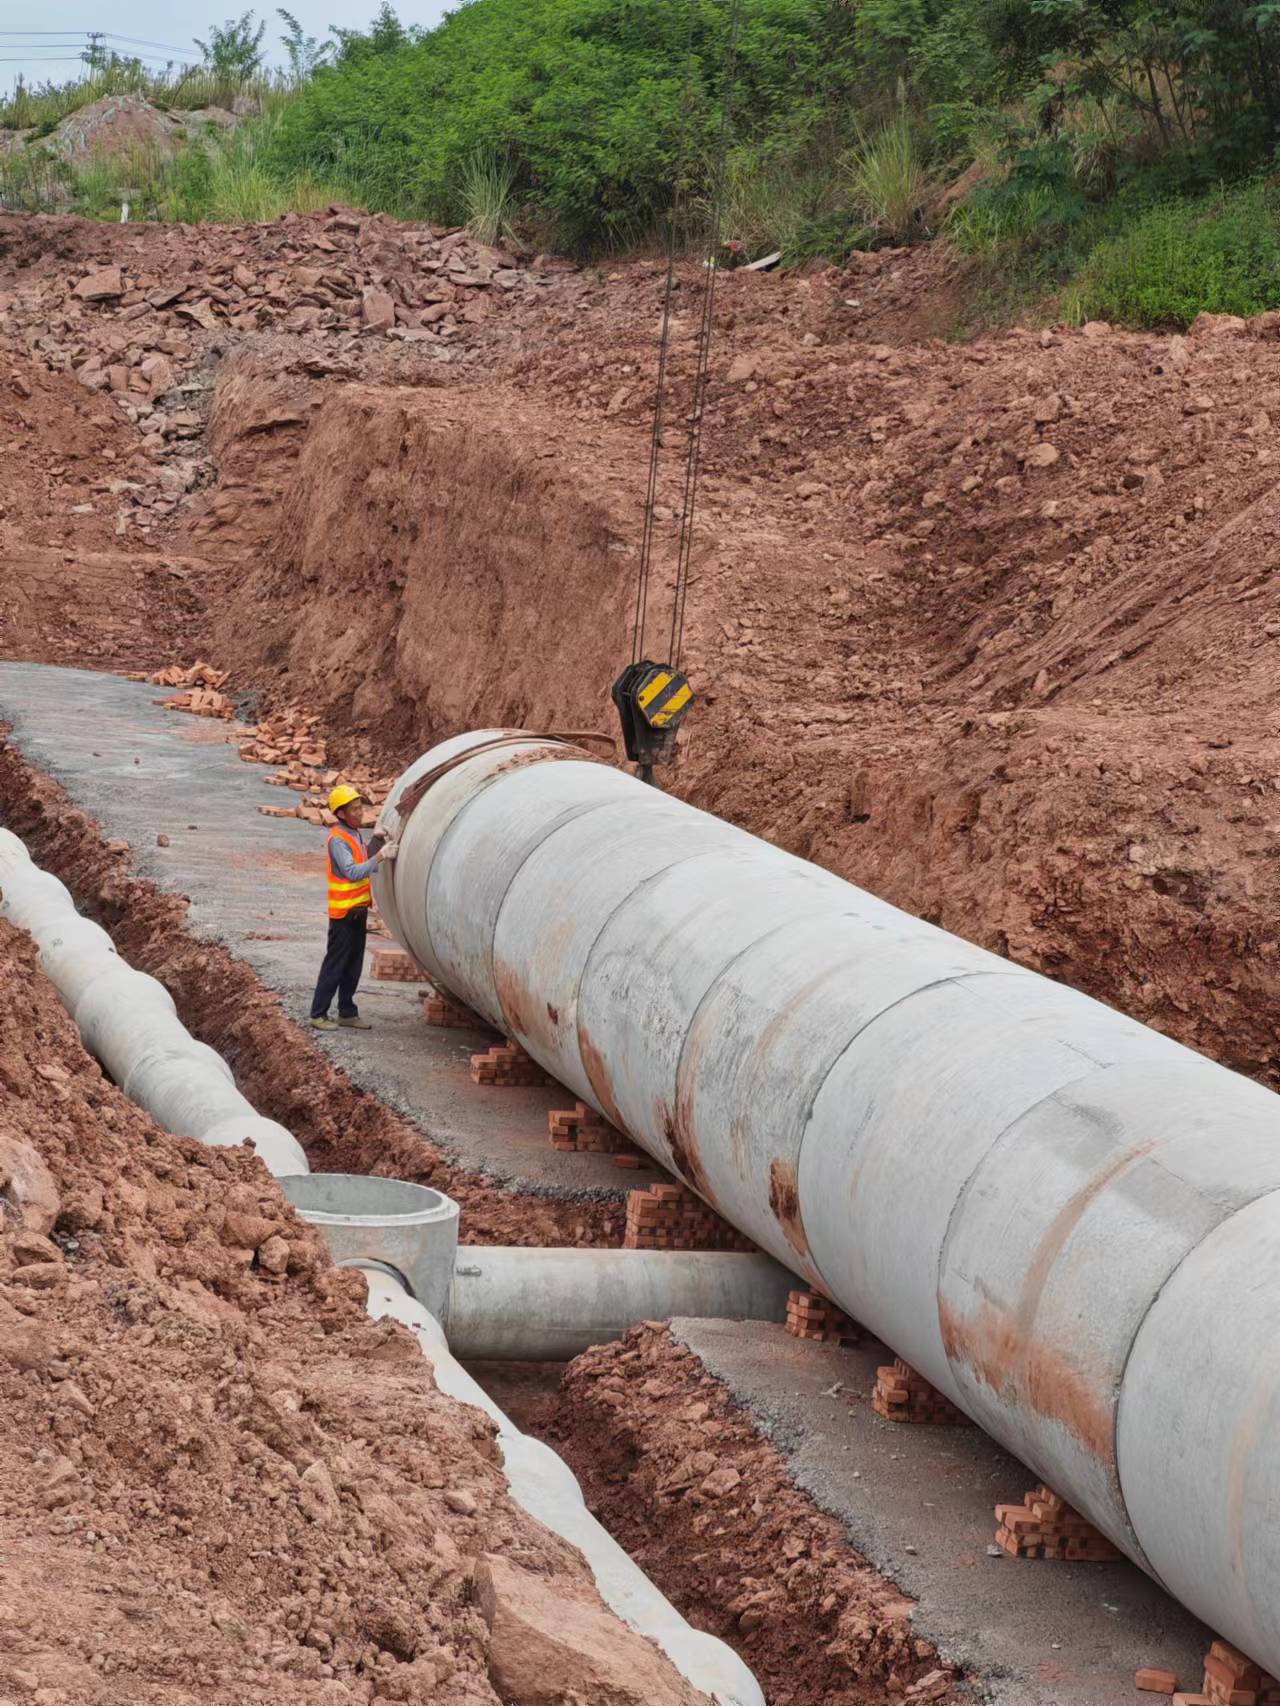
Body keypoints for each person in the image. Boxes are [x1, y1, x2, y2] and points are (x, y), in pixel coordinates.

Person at [309, 784, 397, 1031]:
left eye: (360, 808)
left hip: (357, 912)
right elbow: (352, 872)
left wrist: (377, 841)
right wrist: (381, 856)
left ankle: (347, 1011)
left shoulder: (354, 834)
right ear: (341, 814)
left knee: (353, 966)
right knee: (335, 965)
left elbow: (363, 858)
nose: (360, 813)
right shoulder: (338, 840)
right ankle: (318, 1014)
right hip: (343, 914)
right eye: (355, 809)